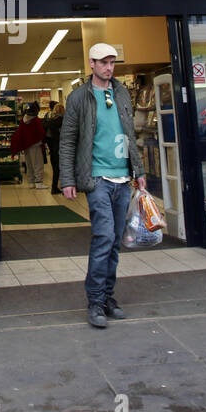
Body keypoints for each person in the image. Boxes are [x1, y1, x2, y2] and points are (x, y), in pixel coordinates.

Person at [59, 42, 146, 329]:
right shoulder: (78, 98)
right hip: (97, 178)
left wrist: (139, 170)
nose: (109, 67)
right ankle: (95, 300)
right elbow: (68, 140)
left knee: (115, 242)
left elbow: (129, 134)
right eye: (103, 62)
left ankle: (108, 296)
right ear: (91, 64)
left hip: (123, 178)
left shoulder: (121, 92)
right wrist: (68, 179)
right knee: (104, 237)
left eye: (112, 62)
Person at [10, 102, 47, 189]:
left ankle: (31, 182)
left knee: (29, 164)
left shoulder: (23, 120)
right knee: (38, 164)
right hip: (35, 145)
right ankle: (39, 182)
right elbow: (40, 132)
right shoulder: (35, 120)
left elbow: (20, 132)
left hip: (26, 145)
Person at [42, 101, 65, 193]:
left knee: (56, 168)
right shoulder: (62, 120)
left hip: (53, 146)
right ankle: (61, 187)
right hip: (61, 146)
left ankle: (54, 187)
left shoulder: (49, 120)